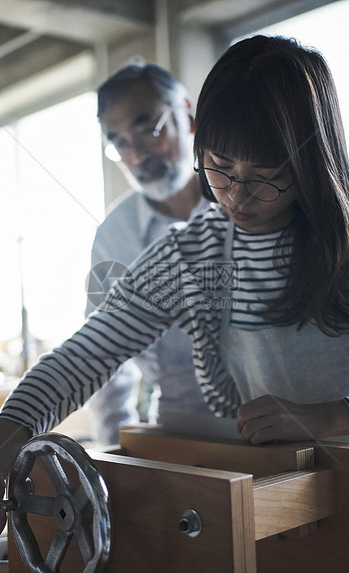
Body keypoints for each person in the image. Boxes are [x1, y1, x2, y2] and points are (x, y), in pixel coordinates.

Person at [0, 35, 349, 572]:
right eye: (221, 168)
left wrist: (326, 419)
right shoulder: (191, 252)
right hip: (303, 518)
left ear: (311, 158)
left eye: (265, 176)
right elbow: (84, 356)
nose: (236, 197)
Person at [84, 63, 213, 446]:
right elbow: (103, 359)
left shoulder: (242, 199)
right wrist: (116, 453)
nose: (137, 154)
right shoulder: (114, 235)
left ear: (187, 115)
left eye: (147, 130)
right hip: (177, 433)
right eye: (119, 142)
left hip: (278, 432)